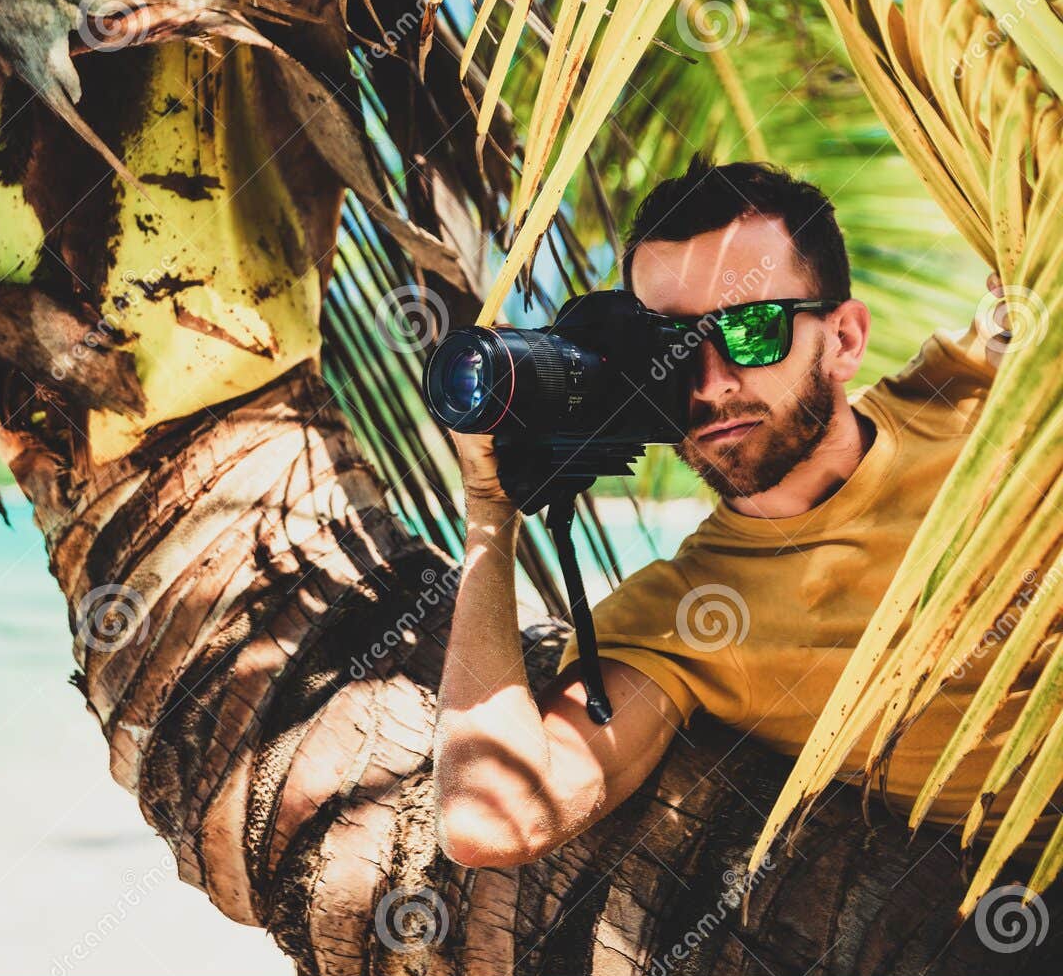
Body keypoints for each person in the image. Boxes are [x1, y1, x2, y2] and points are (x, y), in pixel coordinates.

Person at [433, 156, 1037, 870]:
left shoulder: (990, 384)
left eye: (752, 329)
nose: (713, 383)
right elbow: (493, 821)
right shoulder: (687, 616)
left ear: (843, 339)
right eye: (673, 346)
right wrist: (489, 513)